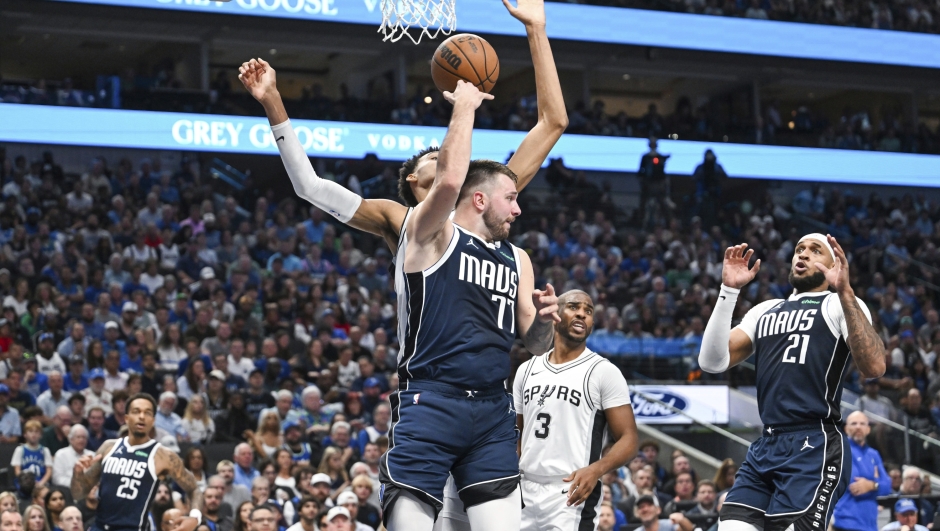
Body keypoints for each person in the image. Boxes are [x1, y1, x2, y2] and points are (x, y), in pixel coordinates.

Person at [698, 235, 886, 531]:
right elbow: (711, 361)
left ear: (833, 264)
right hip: (767, 443)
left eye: (814, 251)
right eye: (799, 249)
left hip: (815, 442)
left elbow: (874, 366)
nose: (803, 254)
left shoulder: (839, 303)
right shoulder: (765, 310)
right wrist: (729, 291)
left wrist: (846, 292)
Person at [514, 290, 638, 530]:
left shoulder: (603, 371)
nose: (582, 313)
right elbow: (517, 436)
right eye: (573, 306)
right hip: (523, 489)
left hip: (571, 491)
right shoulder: (525, 370)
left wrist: (596, 470)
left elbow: (629, 439)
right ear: (556, 314)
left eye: (588, 311)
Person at [70, 393, 204, 531]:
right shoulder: (108, 447)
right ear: (126, 418)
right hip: (99, 527)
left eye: (147, 413)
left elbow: (194, 489)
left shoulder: (163, 456)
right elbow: (78, 494)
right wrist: (78, 473)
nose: (141, 416)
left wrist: (195, 518)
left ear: (153, 420)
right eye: (136, 412)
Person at [832, 411, 892, 531]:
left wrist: (872, 485)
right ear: (846, 428)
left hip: (870, 525)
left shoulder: (874, 454)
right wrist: (875, 480)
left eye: (862, 423)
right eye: (854, 423)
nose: (858, 426)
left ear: (868, 429)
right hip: (846, 523)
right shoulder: (840, 451)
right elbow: (854, 485)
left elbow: (887, 486)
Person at [11, 421, 53, 489]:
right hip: (24, 484)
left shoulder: (45, 451)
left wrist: (41, 483)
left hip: (41, 484)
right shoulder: (20, 450)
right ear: (25, 434)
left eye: (36, 432)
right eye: (30, 431)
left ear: (41, 435)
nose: (34, 434)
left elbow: (49, 471)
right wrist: (27, 483)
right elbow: (17, 471)